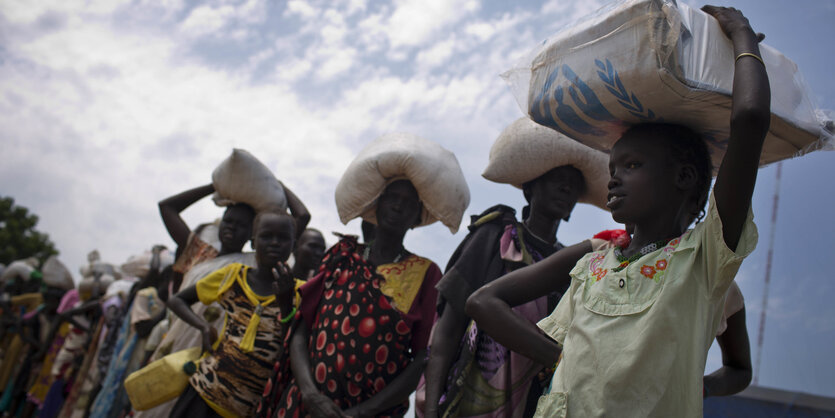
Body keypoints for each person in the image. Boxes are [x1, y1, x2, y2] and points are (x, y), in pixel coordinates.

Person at [465, 6, 770, 416]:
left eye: (632, 166)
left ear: (683, 177)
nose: (613, 179)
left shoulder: (704, 261)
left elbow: (749, 121)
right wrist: (562, 357)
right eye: (613, 168)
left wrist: (741, 35)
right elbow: (484, 302)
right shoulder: (594, 262)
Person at [420, 120, 609, 418]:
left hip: (536, 404)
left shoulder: (573, 264)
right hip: (470, 401)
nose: (565, 187)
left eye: (573, 184)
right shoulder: (493, 236)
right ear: (530, 189)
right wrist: (430, 411)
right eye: (557, 178)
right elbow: (447, 328)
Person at [269, 180, 443, 418]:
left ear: (417, 219)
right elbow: (302, 329)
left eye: (409, 203)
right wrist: (310, 394)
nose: (397, 207)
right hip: (305, 404)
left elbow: (424, 356)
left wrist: (362, 412)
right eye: (392, 197)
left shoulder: (426, 273)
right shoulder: (342, 256)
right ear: (377, 205)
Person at [167, 212, 302, 418]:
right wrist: (203, 327)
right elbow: (177, 300)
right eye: (266, 236)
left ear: (293, 245)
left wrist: (285, 304)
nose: (274, 243)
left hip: (246, 409)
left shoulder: (301, 293)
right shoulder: (233, 276)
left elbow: (292, 351)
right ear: (253, 243)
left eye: (283, 238)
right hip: (202, 393)